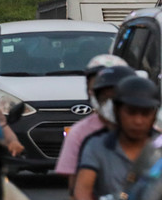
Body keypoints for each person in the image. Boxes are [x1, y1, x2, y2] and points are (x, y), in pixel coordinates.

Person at [74, 75, 162, 200]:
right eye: (131, 113)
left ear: (155, 115)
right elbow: (83, 188)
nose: (138, 121)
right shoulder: (96, 145)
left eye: (145, 114)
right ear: (117, 111)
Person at [53, 57, 134, 188]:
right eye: (102, 92)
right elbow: (75, 187)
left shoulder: (145, 128)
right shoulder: (79, 133)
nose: (110, 100)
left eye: (115, 91)